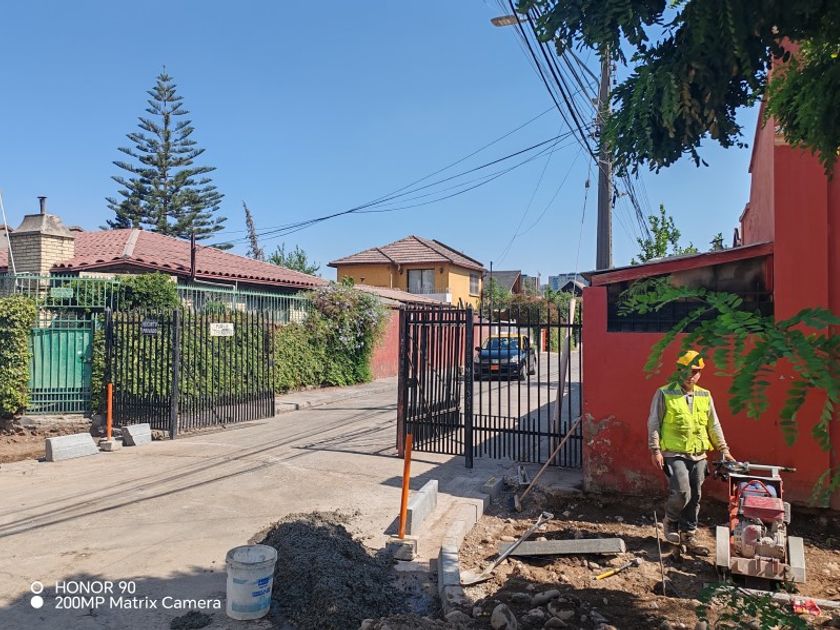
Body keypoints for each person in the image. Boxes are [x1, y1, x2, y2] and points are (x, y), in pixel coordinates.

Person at [648, 350, 735, 553]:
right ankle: (670, 521)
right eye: (686, 370)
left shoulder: (705, 395)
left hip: (699, 454)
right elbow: (654, 422)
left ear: (700, 373)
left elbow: (713, 424)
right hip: (674, 453)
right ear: (679, 370)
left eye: (695, 371)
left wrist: (724, 449)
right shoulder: (664, 393)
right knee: (682, 493)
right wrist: (655, 450)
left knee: (695, 496)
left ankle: (688, 535)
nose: (690, 375)